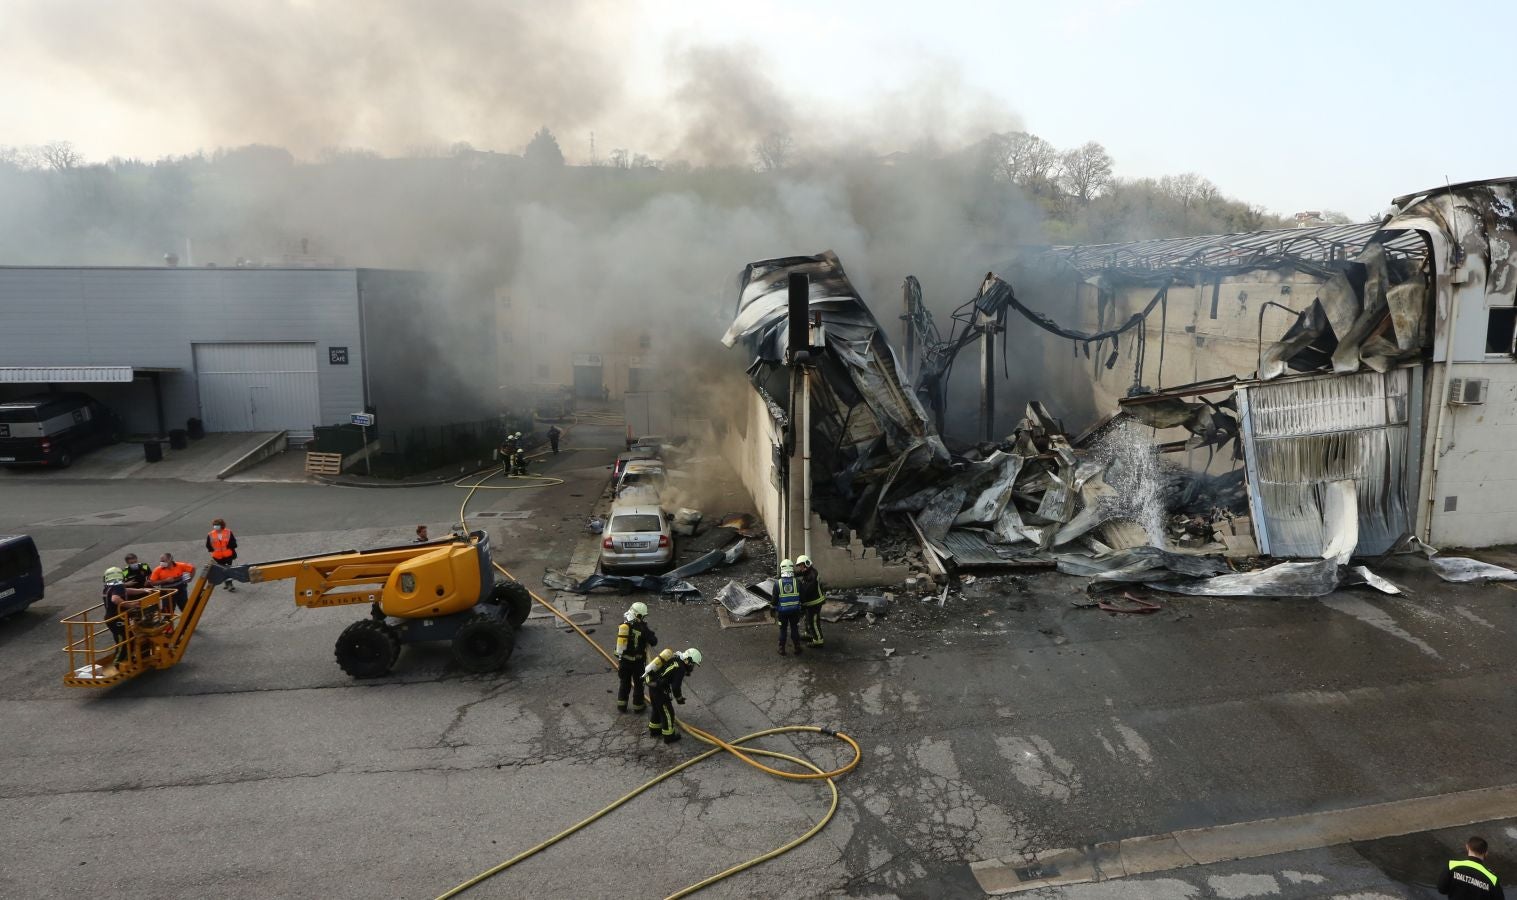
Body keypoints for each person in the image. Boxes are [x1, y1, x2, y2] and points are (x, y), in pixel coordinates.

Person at [644, 647, 702, 744]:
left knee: (657, 709)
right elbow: (675, 687)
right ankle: (669, 736)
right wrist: (679, 699)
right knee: (668, 713)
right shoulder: (681, 668)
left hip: (653, 686)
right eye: (693, 664)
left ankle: (654, 730)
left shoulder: (675, 658)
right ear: (689, 660)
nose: (692, 667)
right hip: (660, 691)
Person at [614, 601, 657, 713]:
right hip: (637, 663)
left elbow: (620, 646)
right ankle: (638, 707)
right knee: (638, 685)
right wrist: (649, 633)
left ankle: (621, 706)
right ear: (639, 615)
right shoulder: (642, 628)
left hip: (624, 662)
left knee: (624, 684)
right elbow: (654, 641)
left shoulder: (624, 625)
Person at [775, 559, 803, 656]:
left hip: (782, 612)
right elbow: (802, 597)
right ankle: (797, 647)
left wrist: (772, 609)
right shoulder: (797, 582)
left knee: (783, 629)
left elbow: (774, 599)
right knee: (794, 628)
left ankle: (781, 648)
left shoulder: (777, 583)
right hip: (795, 611)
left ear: (782, 569)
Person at [797, 554, 826, 648]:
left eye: (801, 566)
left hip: (815, 603)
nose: (800, 568)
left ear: (806, 564)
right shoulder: (810, 571)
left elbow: (806, 591)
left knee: (813, 621)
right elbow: (800, 573)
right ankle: (809, 634)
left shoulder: (812, 576)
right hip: (810, 603)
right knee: (807, 619)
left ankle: (818, 640)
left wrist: (798, 593)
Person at [206, 518, 238, 592]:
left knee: (228, 569)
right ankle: (227, 583)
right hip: (218, 557)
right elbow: (208, 545)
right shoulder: (210, 534)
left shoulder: (228, 532)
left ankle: (229, 584)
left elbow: (233, 543)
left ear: (222, 525)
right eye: (214, 525)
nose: (215, 526)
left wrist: (228, 547)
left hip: (228, 556)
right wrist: (213, 551)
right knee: (223, 570)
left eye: (217, 525)